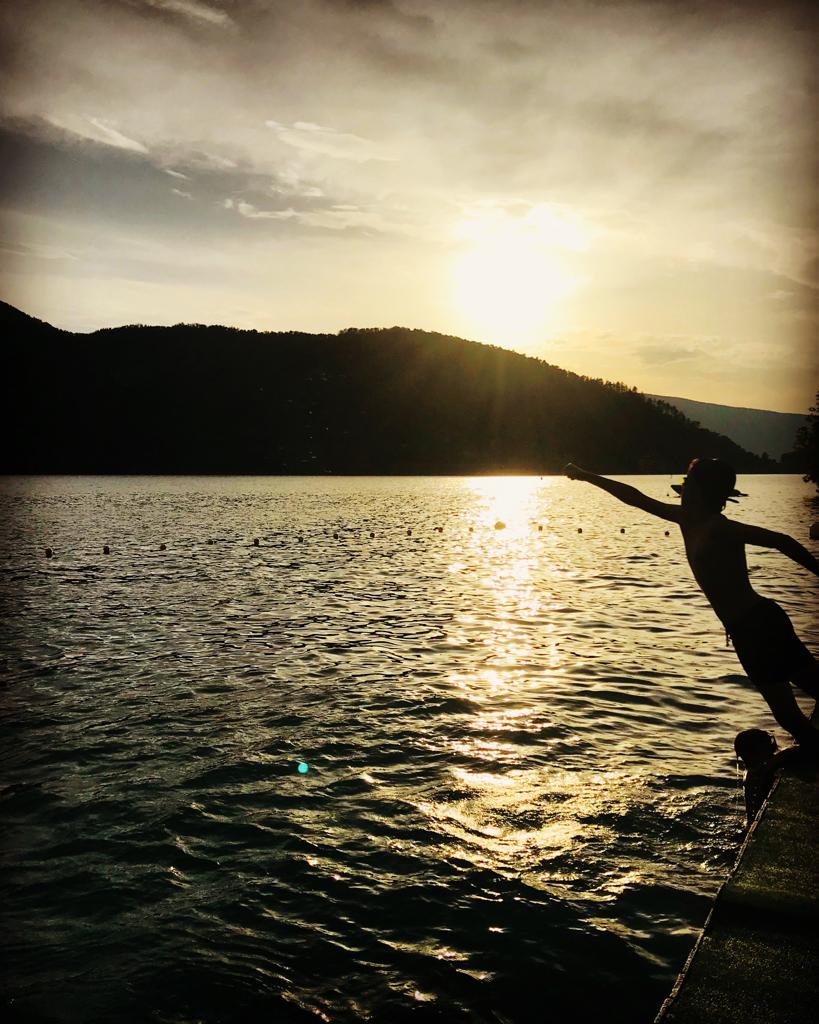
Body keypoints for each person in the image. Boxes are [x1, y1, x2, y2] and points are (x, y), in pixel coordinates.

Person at [564, 458, 819, 755]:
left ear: (700, 488)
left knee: (793, 707)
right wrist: (586, 475)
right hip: (746, 628)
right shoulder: (686, 519)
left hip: (759, 625)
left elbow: (782, 540)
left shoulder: (718, 527)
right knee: (789, 711)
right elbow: (634, 497)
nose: (684, 485)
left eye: (689, 479)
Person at [734, 728, 800, 827]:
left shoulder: (749, 771)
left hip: (749, 823)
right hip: (758, 823)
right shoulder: (762, 770)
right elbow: (794, 750)